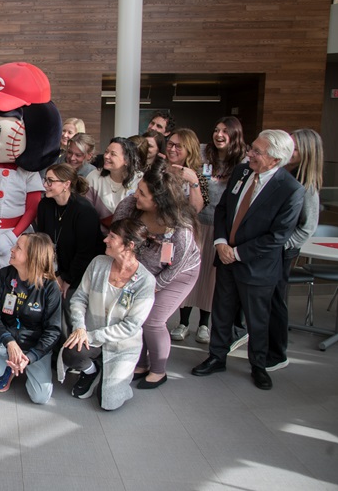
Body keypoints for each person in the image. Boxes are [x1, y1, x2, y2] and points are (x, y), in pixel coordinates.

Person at [191, 130, 305, 391]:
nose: (249, 154)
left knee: (258, 318)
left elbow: (277, 237)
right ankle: (217, 357)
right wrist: (220, 243)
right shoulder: (242, 172)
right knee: (222, 310)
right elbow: (222, 210)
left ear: (275, 159)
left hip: (257, 265)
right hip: (225, 256)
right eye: (252, 149)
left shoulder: (290, 190)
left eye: (257, 151)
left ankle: (259, 365)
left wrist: (237, 252)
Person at [113, 158, 201, 388]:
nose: (135, 195)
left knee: (152, 320)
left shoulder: (181, 228)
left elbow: (175, 268)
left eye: (142, 193)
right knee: (134, 316)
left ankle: (159, 371)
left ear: (159, 201)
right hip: (139, 272)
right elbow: (118, 239)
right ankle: (140, 363)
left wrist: (147, 288)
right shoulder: (128, 207)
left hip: (176, 276)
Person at [60, 218, 155, 411]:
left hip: (122, 344)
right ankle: (91, 370)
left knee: (108, 402)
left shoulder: (146, 281)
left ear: (129, 246)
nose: (105, 239)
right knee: (70, 352)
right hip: (91, 335)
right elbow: (79, 299)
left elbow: (130, 327)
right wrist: (79, 328)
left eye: (112, 237)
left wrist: (90, 336)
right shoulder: (98, 263)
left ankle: (109, 375)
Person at [175, 117, 246, 343]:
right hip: (195, 223)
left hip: (222, 228)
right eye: (216, 130)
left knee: (211, 278)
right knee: (188, 272)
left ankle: (204, 324)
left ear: (235, 135)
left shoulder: (242, 162)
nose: (219, 135)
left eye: (225, 131)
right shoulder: (203, 154)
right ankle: (183, 322)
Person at [0, 233, 61, 404]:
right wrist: (9, 342)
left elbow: (53, 331)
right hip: (8, 342)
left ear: (32, 257)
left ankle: (23, 365)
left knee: (40, 397)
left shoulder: (50, 287)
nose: (12, 249)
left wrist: (31, 357)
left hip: (35, 349)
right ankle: (7, 370)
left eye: (18, 247)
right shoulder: (4, 276)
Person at [267, 128, 323, 371]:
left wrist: (281, 245)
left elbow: (307, 227)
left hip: (282, 251)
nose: (291, 152)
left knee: (276, 301)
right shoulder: (286, 174)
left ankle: (278, 353)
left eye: (296, 149)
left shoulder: (306, 184)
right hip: (275, 248)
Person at [34, 163, 103, 324]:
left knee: (69, 310)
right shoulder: (45, 205)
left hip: (80, 272)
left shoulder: (84, 211)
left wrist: (66, 279)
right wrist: (54, 274)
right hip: (54, 269)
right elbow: (43, 242)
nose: (45, 185)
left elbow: (85, 252)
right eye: (45, 180)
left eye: (50, 181)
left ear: (66, 184)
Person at [85, 137, 142, 235]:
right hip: (97, 236)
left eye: (113, 154)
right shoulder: (94, 177)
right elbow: (86, 213)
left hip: (129, 237)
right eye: (106, 152)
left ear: (127, 160)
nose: (106, 156)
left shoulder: (139, 180)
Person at [164, 129, 209, 212]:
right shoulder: (158, 168)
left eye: (178, 146)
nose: (172, 149)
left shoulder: (198, 177)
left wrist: (193, 182)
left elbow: (195, 210)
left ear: (189, 150)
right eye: (170, 144)